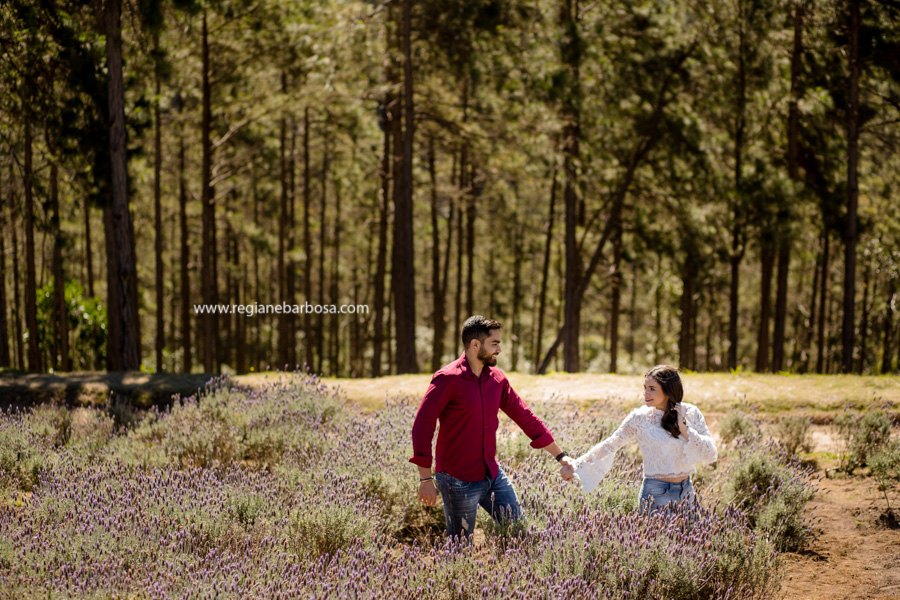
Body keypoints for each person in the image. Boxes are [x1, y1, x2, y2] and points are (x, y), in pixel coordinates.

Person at [410, 315, 570, 539]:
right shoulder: (447, 379)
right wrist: (425, 479)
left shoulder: (497, 380)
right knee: (460, 548)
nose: (499, 350)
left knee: (520, 533)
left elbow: (525, 417)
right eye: (494, 343)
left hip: (492, 475)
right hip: (457, 479)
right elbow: (422, 427)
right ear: (475, 345)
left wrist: (561, 457)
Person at [559, 365, 717, 515]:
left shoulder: (690, 412)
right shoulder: (640, 417)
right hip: (656, 493)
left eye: (652, 389)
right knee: (662, 542)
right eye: (645, 388)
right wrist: (577, 466)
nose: (645, 393)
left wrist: (685, 430)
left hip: (687, 491)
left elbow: (710, 453)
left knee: (689, 542)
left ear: (669, 391)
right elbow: (611, 443)